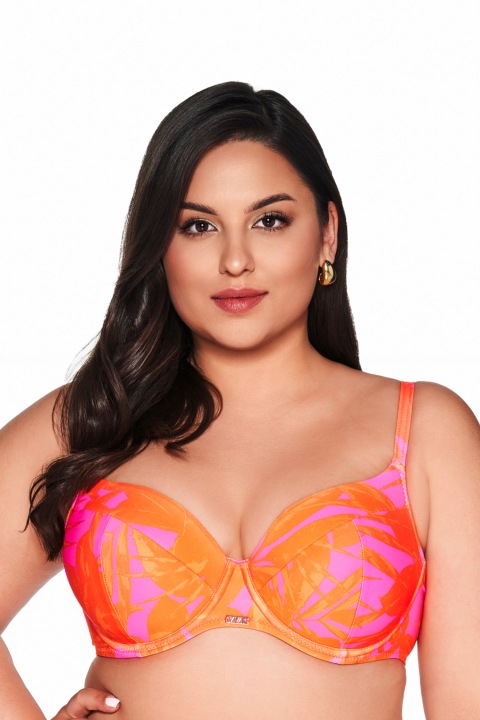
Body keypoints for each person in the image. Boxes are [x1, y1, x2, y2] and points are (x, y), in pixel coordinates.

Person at [1, 81, 479, 720]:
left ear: (327, 234)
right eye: (198, 226)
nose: (235, 260)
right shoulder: (89, 419)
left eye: (269, 220)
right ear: (160, 246)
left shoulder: (426, 432)